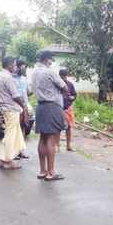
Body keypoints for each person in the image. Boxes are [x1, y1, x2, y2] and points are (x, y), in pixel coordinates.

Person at [31, 51, 67, 181]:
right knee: (51, 140)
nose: (52, 62)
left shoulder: (34, 72)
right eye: (51, 59)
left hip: (40, 106)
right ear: (46, 60)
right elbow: (64, 87)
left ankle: (42, 170)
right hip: (52, 106)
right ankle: (51, 172)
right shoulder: (49, 72)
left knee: (43, 138)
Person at [0, 56, 27, 170]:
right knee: (11, 135)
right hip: (11, 109)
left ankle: (3, 159)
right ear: (9, 66)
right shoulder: (8, 77)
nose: (15, 67)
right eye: (14, 65)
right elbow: (15, 95)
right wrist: (23, 106)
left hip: (5, 108)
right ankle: (8, 160)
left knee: (10, 133)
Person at [14, 59, 31, 159]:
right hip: (15, 107)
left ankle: (21, 150)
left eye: (25, 67)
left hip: (24, 106)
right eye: (23, 67)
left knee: (23, 128)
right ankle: (14, 152)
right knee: (15, 129)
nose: (24, 69)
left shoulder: (24, 79)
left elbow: (27, 92)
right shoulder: (12, 78)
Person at [58, 69, 77, 151]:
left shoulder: (70, 84)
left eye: (65, 76)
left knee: (69, 127)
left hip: (68, 107)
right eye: (62, 76)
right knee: (57, 128)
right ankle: (57, 146)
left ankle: (68, 146)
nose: (64, 78)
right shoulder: (56, 84)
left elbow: (74, 94)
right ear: (59, 76)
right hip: (58, 108)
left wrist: (72, 98)